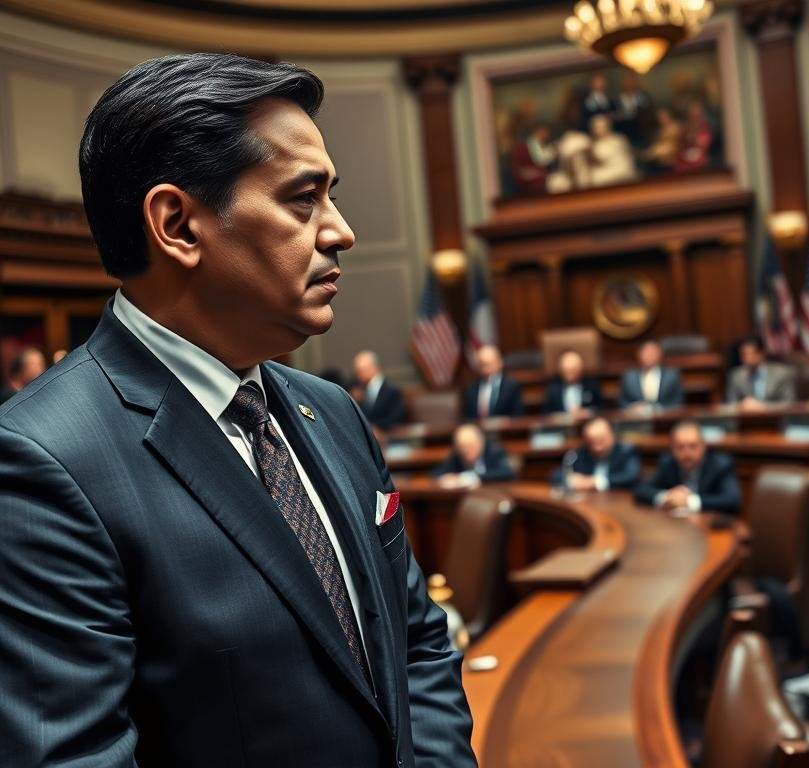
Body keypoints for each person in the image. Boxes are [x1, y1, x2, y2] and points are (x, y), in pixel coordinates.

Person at [0, 54, 474, 767]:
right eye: (303, 199)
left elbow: (417, 642)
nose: (341, 231)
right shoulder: (40, 460)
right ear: (178, 225)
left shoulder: (332, 411)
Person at [634, 419, 740, 515]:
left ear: (703, 446)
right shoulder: (667, 463)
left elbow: (732, 500)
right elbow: (641, 490)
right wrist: (667, 497)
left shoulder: (720, 465)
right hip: (676, 528)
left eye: (693, 446)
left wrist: (689, 501)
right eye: (680, 447)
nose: (687, 453)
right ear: (672, 448)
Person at [551, 417, 641, 492]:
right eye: (591, 442)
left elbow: (631, 476)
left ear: (612, 436)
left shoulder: (626, 451)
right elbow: (556, 476)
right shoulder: (580, 453)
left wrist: (596, 482)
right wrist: (570, 480)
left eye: (601, 441)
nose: (597, 448)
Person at [432, 423, 515, 488]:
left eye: (470, 446)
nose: (466, 450)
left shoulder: (493, 451)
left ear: (480, 443)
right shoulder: (457, 455)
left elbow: (506, 473)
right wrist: (446, 477)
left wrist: (471, 477)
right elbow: (436, 474)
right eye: (462, 447)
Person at [725, 336, 797, 406]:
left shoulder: (782, 374)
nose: (748, 359)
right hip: (746, 416)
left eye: (751, 354)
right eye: (744, 355)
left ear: (761, 354)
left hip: (775, 417)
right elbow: (731, 405)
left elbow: (789, 404)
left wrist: (763, 407)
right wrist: (743, 405)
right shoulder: (736, 376)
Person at [618, 339, 684, 410]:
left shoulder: (671, 375)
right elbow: (622, 402)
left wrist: (658, 409)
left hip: (666, 418)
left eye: (652, 352)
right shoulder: (629, 377)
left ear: (660, 353)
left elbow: (678, 401)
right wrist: (633, 408)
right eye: (646, 352)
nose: (649, 355)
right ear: (638, 354)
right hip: (635, 418)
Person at [462, 344, 524, 420]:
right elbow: (467, 417)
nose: (485, 369)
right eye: (482, 365)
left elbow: (517, 416)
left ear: (499, 363)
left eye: (488, 364)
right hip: (478, 430)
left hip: (504, 430)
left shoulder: (511, 387)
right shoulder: (471, 390)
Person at [351, 349, 406, 430]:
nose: (358, 374)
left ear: (374, 368)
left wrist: (374, 428)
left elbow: (396, 418)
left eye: (361, 370)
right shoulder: (359, 390)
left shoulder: (391, 390)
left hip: (386, 435)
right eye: (357, 371)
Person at [542, 349, 603, 415]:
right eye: (568, 371)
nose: (571, 375)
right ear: (561, 370)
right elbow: (546, 413)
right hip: (560, 424)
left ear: (581, 369)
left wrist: (587, 412)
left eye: (574, 370)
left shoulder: (591, 385)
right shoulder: (553, 389)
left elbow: (602, 408)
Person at [587, 114, 638, 188]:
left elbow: (629, 155)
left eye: (603, 127)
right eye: (597, 127)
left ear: (609, 127)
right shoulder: (593, 145)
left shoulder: (619, 139)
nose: (600, 130)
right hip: (608, 174)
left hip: (623, 172)